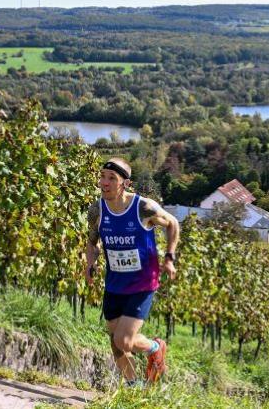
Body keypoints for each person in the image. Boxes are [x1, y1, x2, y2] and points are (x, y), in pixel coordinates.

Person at [86, 158, 180, 386]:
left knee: (124, 340)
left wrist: (169, 257)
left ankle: (155, 347)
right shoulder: (97, 210)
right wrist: (90, 264)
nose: (104, 183)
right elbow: (92, 241)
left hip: (143, 283)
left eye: (111, 179)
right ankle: (133, 385)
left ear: (125, 184)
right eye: (102, 177)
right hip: (114, 283)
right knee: (115, 342)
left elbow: (173, 224)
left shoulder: (143, 208)